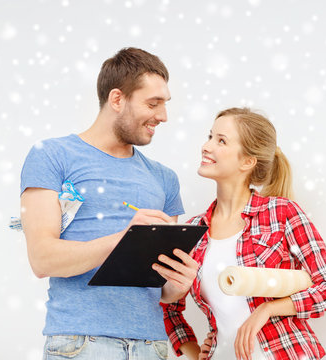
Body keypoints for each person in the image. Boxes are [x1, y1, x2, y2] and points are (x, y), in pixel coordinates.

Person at [19, 47, 199, 360]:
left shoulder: (164, 179)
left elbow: (164, 290)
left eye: (165, 104)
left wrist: (178, 285)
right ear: (117, 99)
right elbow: (42, 259)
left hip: (151, 347)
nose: (163, 116)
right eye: (153, 103)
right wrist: (123, 240)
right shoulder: (51, 156)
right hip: (82, 343)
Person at [162, 108, 326, 360]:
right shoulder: (194, 231)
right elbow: (168, 305)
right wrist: (195, 354)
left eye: (221, 140)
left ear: (247, 161)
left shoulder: (281, 213)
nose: (206, 147)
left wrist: (267, 309)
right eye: (209, 137)